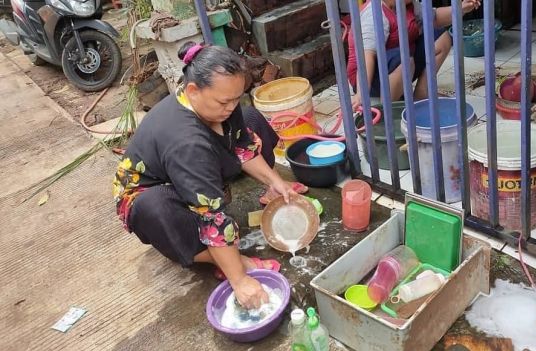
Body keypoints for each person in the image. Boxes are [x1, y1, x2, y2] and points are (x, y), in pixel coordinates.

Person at [112, 42, 307, 309]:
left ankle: (257, 199)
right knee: (155, 207)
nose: (231, 107)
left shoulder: (221, 102)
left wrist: (276, 181)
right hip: (154, 191)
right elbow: (211, 216)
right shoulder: (186, 142)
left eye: (236, 97)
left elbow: (242, 146)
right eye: (224, 101)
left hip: (195, 170)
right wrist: (239, 279)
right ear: (193, 90)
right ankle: (222, 260)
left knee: (251, 118)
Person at [348, 0, 481, 110]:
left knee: (441, 37)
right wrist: (361, 93)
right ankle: (389, 111)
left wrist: (462, 8)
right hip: (371, 78)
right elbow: (366, 57)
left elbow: (434, 19)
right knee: (404, 59)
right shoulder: (375, 13)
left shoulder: (408, 5)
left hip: (403, 63)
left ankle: (421, 94)